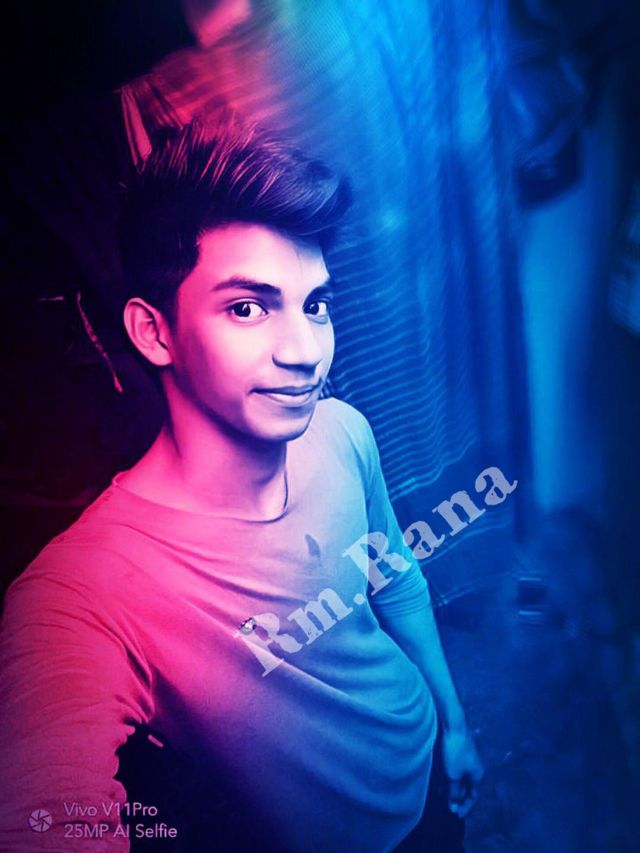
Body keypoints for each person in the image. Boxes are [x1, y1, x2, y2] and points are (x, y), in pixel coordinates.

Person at [0, 113, 483, 852]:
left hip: (428, 767)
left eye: (315, 305)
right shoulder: (79, 592)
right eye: (248, 307)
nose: (305, 350)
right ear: (154, 331)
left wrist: (453, 723)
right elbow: (47, 816)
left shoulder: (342, 429)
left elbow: (395, 576)